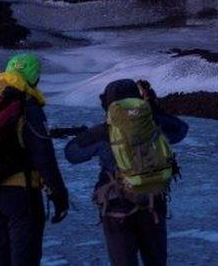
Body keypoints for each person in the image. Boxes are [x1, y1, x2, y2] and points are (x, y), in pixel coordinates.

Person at [65, 79, 189, 266]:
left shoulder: (103, 132)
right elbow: (181, 130)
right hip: (152, 203)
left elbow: (72, 153)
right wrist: (152, 110)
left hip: (117, 209)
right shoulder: (154, 123)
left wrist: (88, 135)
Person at [0, 53, 69, 265]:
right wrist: (58, 193)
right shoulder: (27, 106)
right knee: (25, 259)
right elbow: (43, 155)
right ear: (33, 76)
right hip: (21, 194)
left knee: (0, 259)